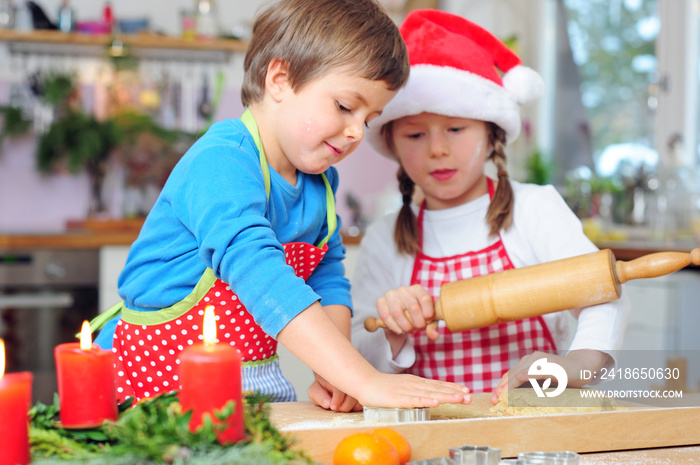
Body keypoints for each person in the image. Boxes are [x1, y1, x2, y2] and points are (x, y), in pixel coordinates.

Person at [91, 0, 471, 413]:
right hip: (155, 393)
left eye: (369, 118)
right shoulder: (221, 163)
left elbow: (326, 276)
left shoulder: (320, 183)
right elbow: (258, 271)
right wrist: (362, 378)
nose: (356, 132)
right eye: (345, 106)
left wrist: (337, 373)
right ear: (280, 79)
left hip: (253, 389)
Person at [351, 9, 630, 403]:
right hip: (436, 436)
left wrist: (574, 366)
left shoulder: (535, 210)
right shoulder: (384, 240)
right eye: (415, 134)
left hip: (538, 431)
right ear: (392, 143)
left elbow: (605, 292)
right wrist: (393, 332)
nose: (438, 150)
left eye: (456, 129)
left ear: (492, 133)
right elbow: (359, 358)